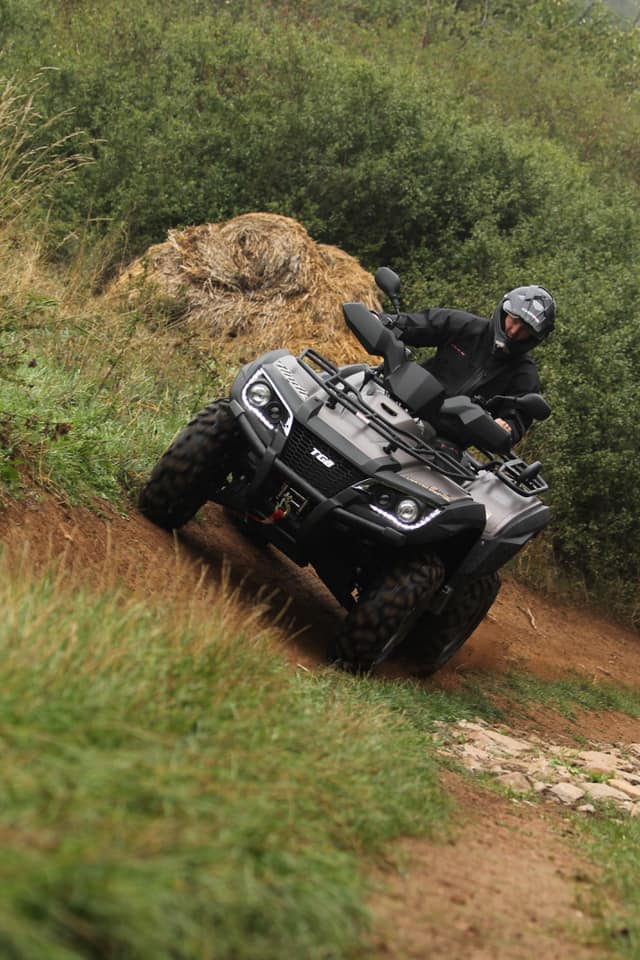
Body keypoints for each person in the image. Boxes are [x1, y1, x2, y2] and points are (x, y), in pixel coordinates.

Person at [384, 285, 556, 445]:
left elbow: (517, 417)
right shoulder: (467, 326)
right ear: (504, 312)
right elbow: (420, 324)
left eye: (525, 329)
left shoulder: (524, 373)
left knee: (443, 472)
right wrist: (387, 322)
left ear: (534, 337)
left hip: (445, 441)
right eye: (515, 320)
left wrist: (507, 427)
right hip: (399, 403)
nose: (514, 330)